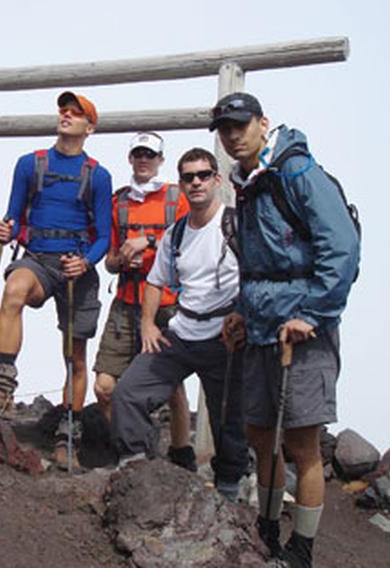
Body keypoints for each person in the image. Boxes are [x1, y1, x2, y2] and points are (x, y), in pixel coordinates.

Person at [211, 92, 359, 567]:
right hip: (260, 329)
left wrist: (312, 314)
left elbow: (342, 250)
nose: (232, 135)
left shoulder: (297, 173)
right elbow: (255, 265)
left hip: (303, 333)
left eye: (240, 125)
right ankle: (268, 531)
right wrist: (239, 309)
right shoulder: (247, 183)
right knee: (258, 435)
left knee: (301, 444)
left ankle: (303, 550)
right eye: (225, 128)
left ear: (262, 123)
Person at [0, 92, 113, 468]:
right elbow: (13, 217)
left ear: (89, 128)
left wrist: (88, 261)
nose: (67, 115)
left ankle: (67, 438)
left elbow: (105, 237)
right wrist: (5, 230)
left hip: (77, 264)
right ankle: (1, 388)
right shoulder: (29, 165)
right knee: (14, 290)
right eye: (64, 110)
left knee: (74, 356)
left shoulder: (98, 175)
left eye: (76, 113)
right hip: (39, 259)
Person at [110, 147, 248, 501]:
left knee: (227, 417)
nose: (196, 183)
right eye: (188, 177)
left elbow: (257, 276)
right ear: (181, 183)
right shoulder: (176, 234)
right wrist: (147, 324)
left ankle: (229, 490)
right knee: (128, 392)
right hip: (182, 330)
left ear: (217, 180)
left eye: (203, 175)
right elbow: (156, 280)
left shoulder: (237, 224)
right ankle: (136, 469)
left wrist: (244, 318)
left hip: (224, 335)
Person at [92, 132, 197, 471]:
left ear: (160, 160)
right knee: (105, 386)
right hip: (125, 301)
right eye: (138, 153)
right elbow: (108, 260)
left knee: (172, 386)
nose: (143, 160)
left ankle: (182, 454)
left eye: (149, 155)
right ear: (130, 158)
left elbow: (193, 237)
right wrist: (121, 260)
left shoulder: (176, 198)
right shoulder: (118, 202)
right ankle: (136, 448)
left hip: (166, 303)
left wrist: (147, 241)